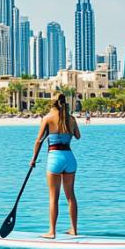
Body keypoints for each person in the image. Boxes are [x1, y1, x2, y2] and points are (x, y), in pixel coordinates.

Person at [30, 92, 82, 238]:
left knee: (53, 197)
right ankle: (74, 229)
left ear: (51, 103)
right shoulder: (71, 119)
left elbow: (38, 141)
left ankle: (52, 231)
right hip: (70, 158)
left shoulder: (47, 118)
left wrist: (33, 159)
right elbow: (78, 136)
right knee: (71, 196)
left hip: (55, 157)